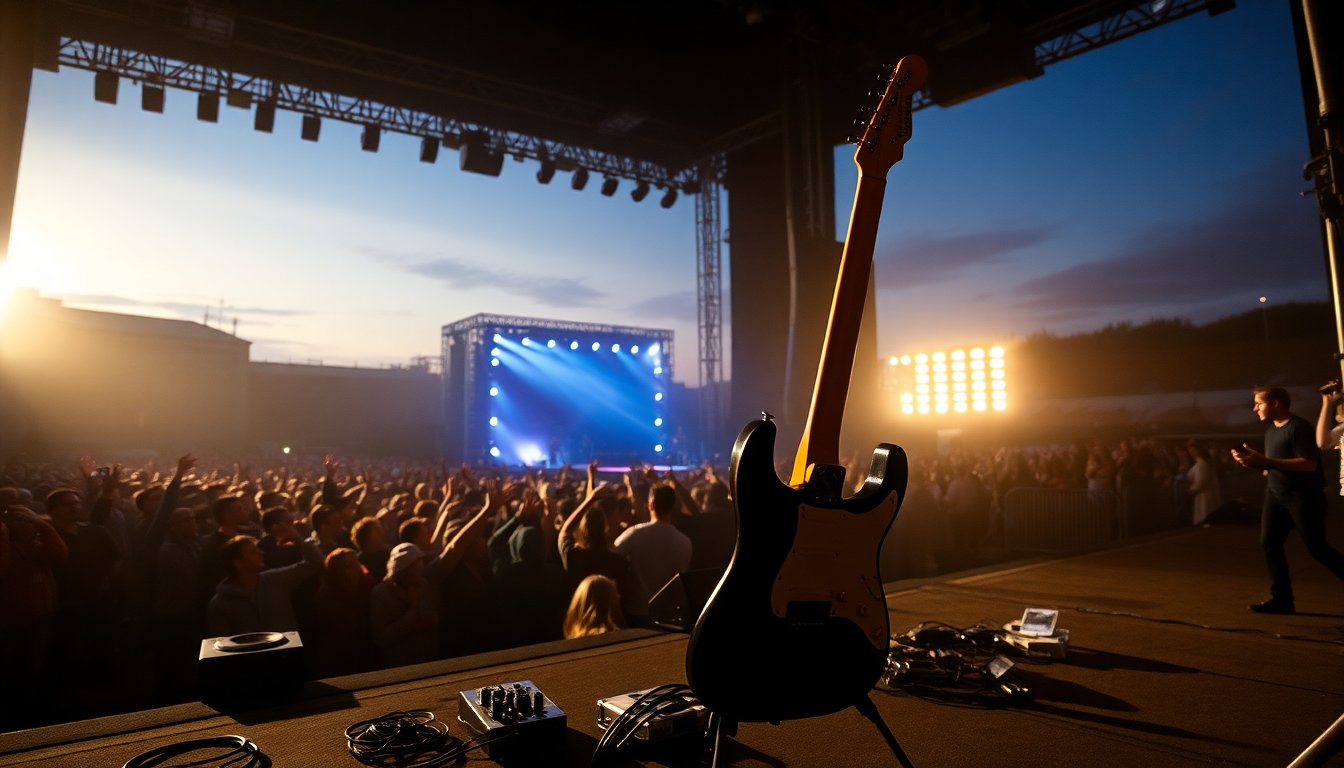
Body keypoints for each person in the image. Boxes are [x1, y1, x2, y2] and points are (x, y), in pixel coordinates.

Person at [1231, 385, 1344, 614]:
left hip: (1303, 498)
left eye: (1259, 403)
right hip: (1276, 495)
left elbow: (1309, 463)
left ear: (1275, 403)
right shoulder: (1271, 430)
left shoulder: (1299, 428)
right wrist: (1254, 462)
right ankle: (1281, 599)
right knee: (1270, 543)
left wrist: (1267, 462)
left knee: (1318, 549)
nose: (1255, 408)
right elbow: (1272, 465)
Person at [562, 574, 625, 639]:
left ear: (578, 603)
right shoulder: (623, 638)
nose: (619, 596)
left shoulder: (572, 643)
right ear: (613, 602)